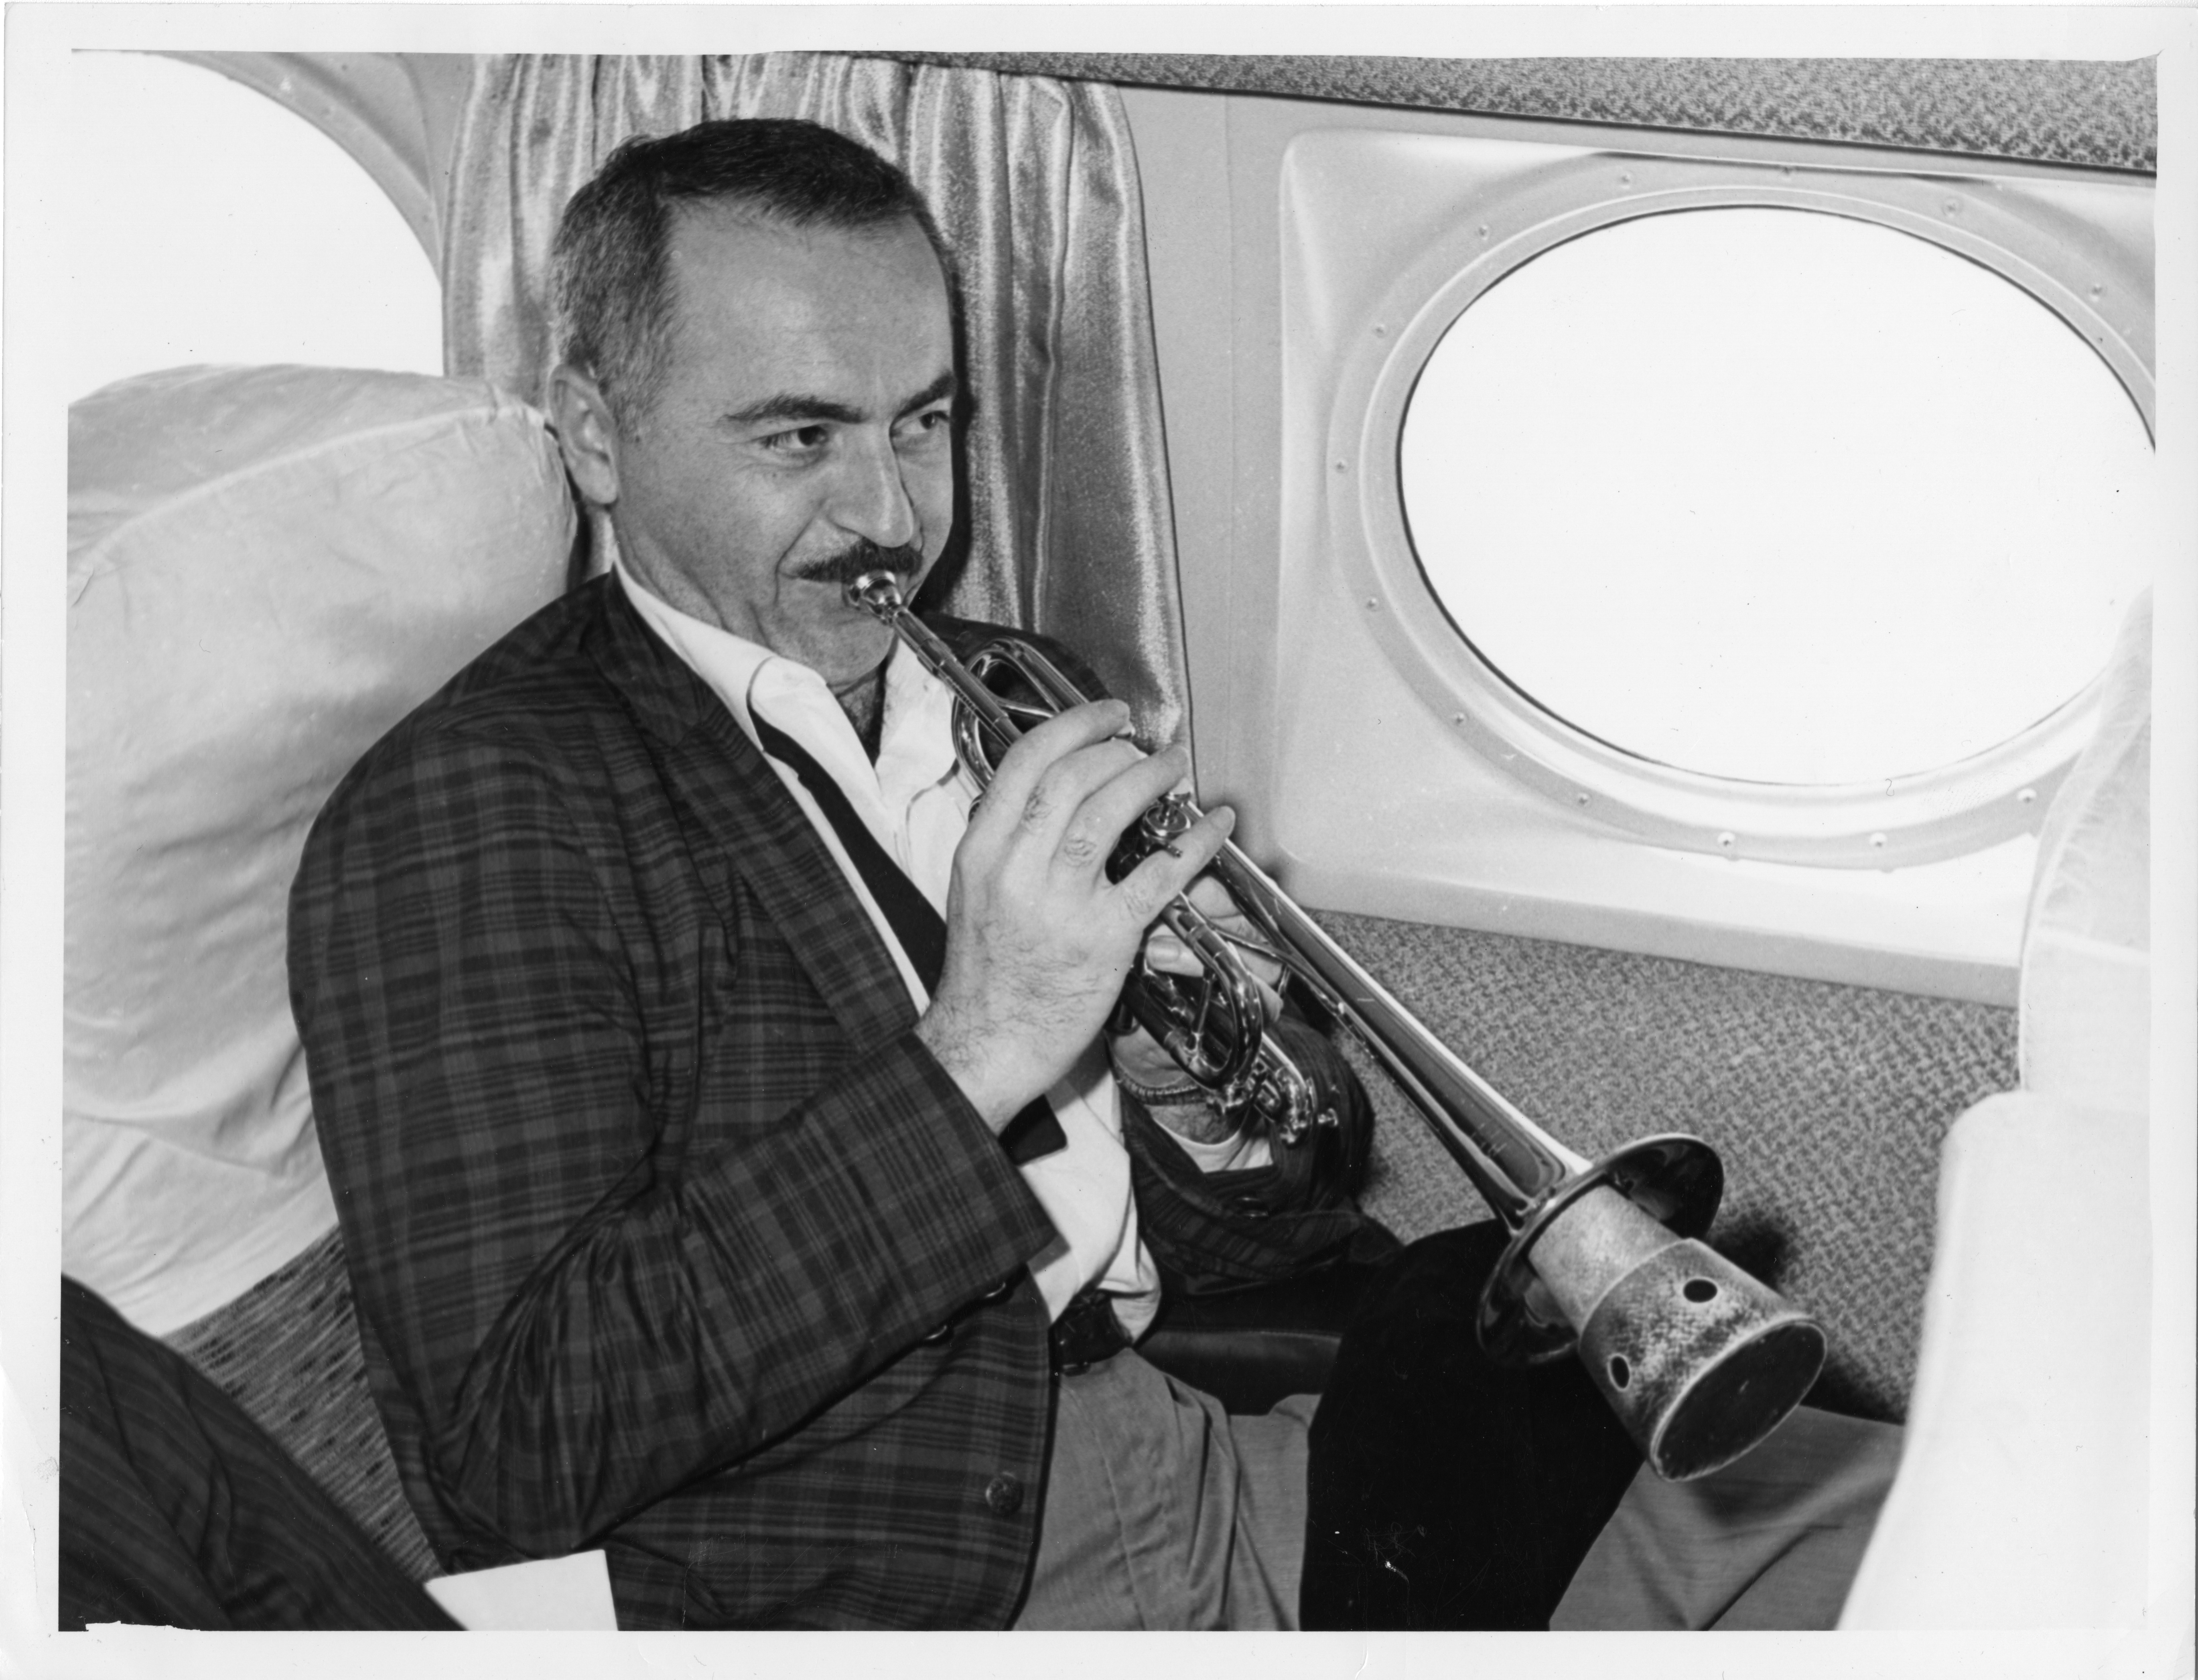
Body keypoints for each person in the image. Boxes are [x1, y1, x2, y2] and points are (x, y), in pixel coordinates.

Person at [288, 116, 1896, 1631]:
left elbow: (1278, 1215)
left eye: (924, 420)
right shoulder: (479, 807)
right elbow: (519, 1446)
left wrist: (1206, 1099)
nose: (890, 513)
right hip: (916, 1576)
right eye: (800, 437)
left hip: (1190, 1440)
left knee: (1910, 1508)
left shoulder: (1009, 686)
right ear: (594, 434)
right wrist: (985, 1046)